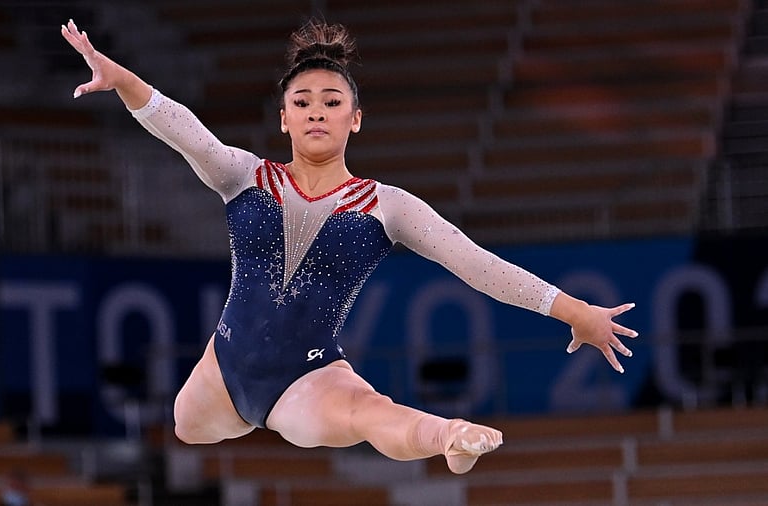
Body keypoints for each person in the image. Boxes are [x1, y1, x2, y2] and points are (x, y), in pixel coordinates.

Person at [61, 18, 638, 474]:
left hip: (307, 377)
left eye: (333, 101)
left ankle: (449, 438)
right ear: (284, 118)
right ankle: (440, 439)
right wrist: (124, 82)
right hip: (223, 367)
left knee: (369, 413)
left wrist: (574, 310)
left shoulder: (387, 207)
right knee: (184, 425)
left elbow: (474, 263)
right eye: (303, 100)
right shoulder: (243, 175)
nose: (317, 109)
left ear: (356, 120)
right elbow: (183, 128)